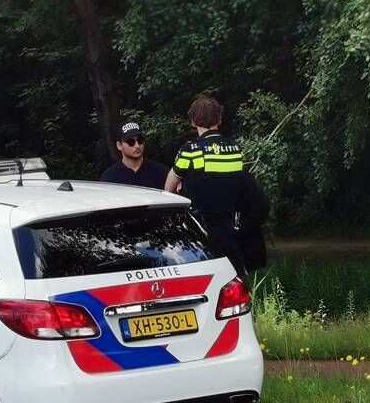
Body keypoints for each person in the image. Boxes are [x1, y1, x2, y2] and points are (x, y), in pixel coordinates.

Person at [165, 96, 268, 275]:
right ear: (219, 120)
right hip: (229, 230)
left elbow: (168, 190)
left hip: (199, 232)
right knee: (234, 283)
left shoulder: (191, 150)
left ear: (193, 121)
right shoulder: (235, 150)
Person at [99, 121, 170, 189]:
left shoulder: (160, 172)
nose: (137, 146)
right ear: (119, 146)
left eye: (140, 140)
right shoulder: (109, 178)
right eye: (131, 142)